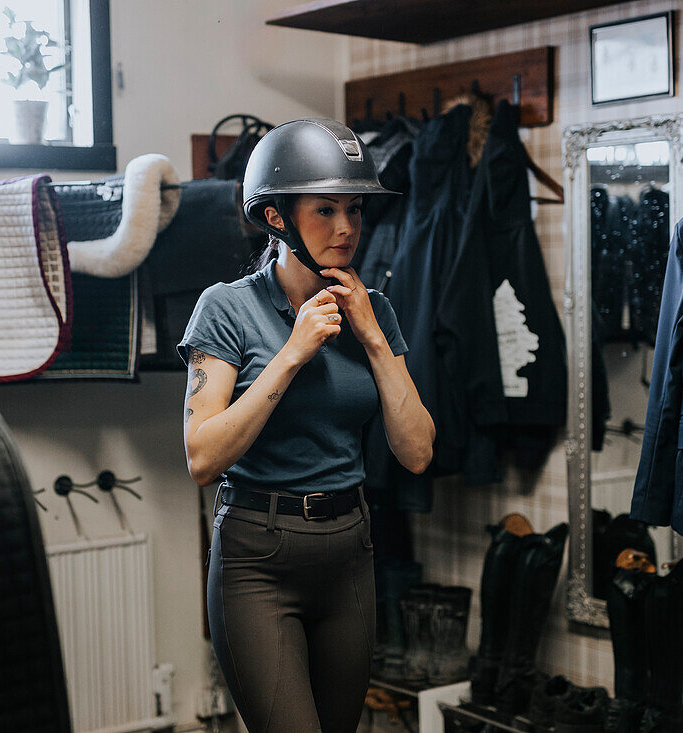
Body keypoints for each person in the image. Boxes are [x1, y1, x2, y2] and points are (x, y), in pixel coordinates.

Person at [177, 117, 435, 732]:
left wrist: (372, 336)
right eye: (325, 211)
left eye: (354, 210)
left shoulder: (376, 312)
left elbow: (418, 452)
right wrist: (293, 353)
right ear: (275, 217)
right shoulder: (227, 308)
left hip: (350, 550)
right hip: (256, 559)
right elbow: (201, 458)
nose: (346, 229)